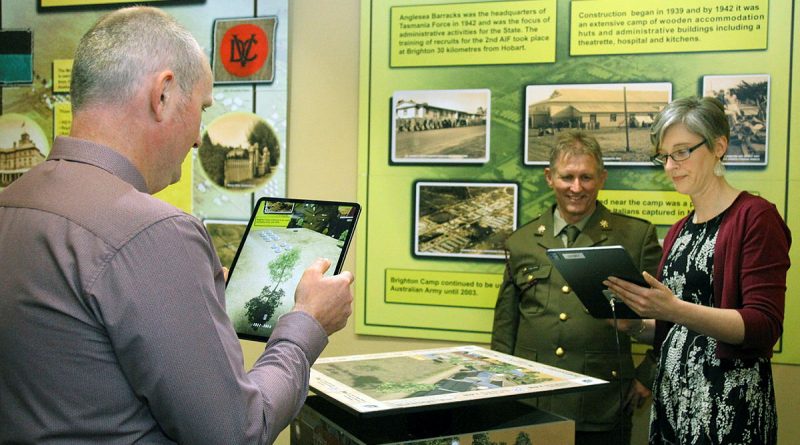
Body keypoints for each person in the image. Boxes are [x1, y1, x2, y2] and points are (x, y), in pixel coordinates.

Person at [0, 7, 353, 444]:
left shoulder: (12, 205)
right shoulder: (156, 232)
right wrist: (307, 324)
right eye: (202, 108)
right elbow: (236, 432)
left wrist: (191, 305)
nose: (198, 139)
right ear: (163, 94)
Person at [604, 96, 791, 444]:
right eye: (664, 156)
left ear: (719, 146)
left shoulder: (755, 217)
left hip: (727, 406)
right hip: (673, 400)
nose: (670, 166)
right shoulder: (680, 229)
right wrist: (635, 325)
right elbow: (677, 328)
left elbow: (763, 326)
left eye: (682, 152)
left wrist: (672, 309)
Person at [492, 130, 663, 445]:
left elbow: (669, 319)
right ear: (549, 177)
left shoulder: (635, 238)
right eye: (567, 177)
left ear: (602, 178)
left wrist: (648, 374)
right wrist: (500, 389)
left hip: (602, 402)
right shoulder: (522, 241)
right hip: (532, 401)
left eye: (586, 177)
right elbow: (506, 326)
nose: (576, 187)